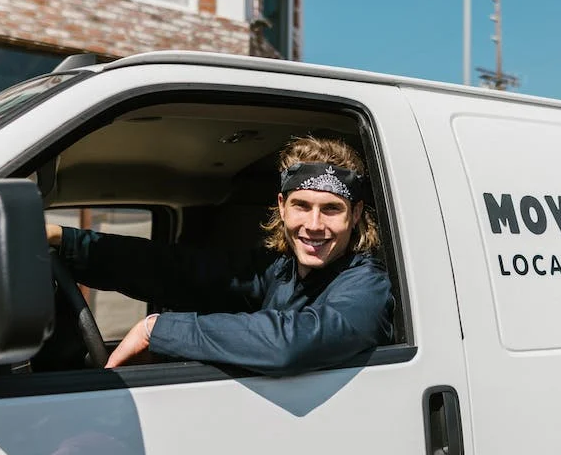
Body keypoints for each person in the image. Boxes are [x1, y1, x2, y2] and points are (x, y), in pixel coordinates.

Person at [46, 136, 394, 375]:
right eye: (302, 206)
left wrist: (159, 329)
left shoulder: (367, 285)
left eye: (331, 209)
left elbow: (293, 341)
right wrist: (69, 242)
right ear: (282, 207)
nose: (314, 225)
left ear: (357, 213)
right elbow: (178, 271)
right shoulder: (280, 269)